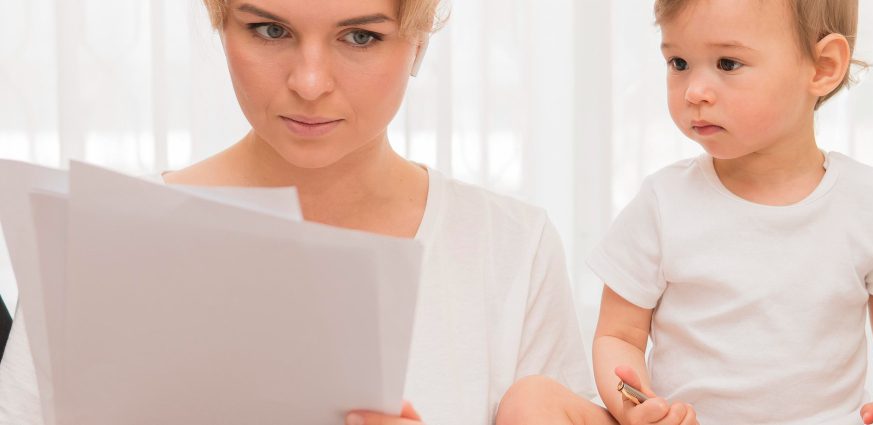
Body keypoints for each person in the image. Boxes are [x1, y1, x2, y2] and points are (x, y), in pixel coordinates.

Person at [0, 1, 594, 424]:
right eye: (268, 29)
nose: (310, 82)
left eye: (360, 37)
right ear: (220, 19)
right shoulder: (100, 238)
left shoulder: (511, 247)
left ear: (418, 38)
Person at [495, 0, 873, 424]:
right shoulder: (663, 203)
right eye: (679, 62)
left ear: (822, 67)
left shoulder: (870, 201)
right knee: (529, 399)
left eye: (727, 64)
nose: (694, 91)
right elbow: (618, 335)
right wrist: (637, 404)